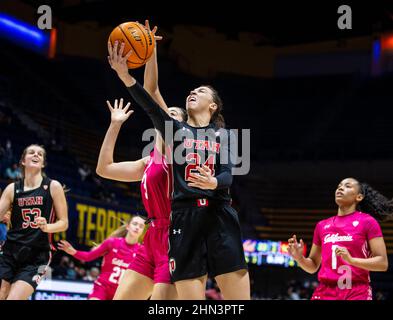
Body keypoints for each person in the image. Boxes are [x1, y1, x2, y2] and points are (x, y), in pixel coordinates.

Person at [108, 24, 250, 299]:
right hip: (183, 217)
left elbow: (228, 175)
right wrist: (129, 72)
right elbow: (149, 97)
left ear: (213, 106)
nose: (192, 92)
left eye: (201, 91)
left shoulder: (224, 135)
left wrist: (213, 182)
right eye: (191, 91)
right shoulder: (175, 131)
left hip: (219, 214)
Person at [97, 22, 186, 299]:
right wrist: (115, 124)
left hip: (177, 237)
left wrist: (152, 50)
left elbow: (151, 88)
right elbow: (105, 169)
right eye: (165, 111)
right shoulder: (149, 162)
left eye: (172, 113)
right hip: (152, 238)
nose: (165, 113)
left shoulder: (179, 150)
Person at [288, 177, 390, 300]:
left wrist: (352, 260)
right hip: (325, 291)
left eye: (347, 186)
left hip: (357, 291)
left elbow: (382, 263)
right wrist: (299, 258)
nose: (340, 188)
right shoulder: (322, 225)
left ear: (359, 197)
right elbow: (313, 266)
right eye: (339, 186)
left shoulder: (368, 222)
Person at [0, 144, 69, 300]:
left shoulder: (53, 186)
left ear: (43, 163)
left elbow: (64, 223)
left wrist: (47, 226)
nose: (36, 155)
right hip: (10, 251)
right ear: (23, 160)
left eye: (40, 154)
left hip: (38, 255)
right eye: (31, 152)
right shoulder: (12, 188)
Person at [57, 215, 145, 300]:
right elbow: (88, 256)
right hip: (102, 288)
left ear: (143, 231)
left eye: (141, 226)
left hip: (121, 293)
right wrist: (73, 252)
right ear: (128, 227)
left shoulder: (142, 251)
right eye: (135, 224)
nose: (137, 227)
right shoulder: (112, 243)